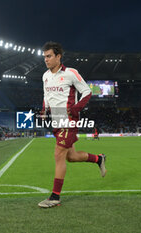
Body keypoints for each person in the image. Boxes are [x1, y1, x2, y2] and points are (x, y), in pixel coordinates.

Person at [38, 42, 107, 208]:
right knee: (71, 156)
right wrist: (43, 111)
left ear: (58, 56)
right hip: (56, 118)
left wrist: (75, 109)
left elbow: (87, 91)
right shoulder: (45, 76)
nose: (46, 59)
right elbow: (46, 96)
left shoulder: (70, 73)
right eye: (44, 57)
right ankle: (99, 159)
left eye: (49, 56)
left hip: (68, 119)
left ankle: (55, 197)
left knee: (58, 154)